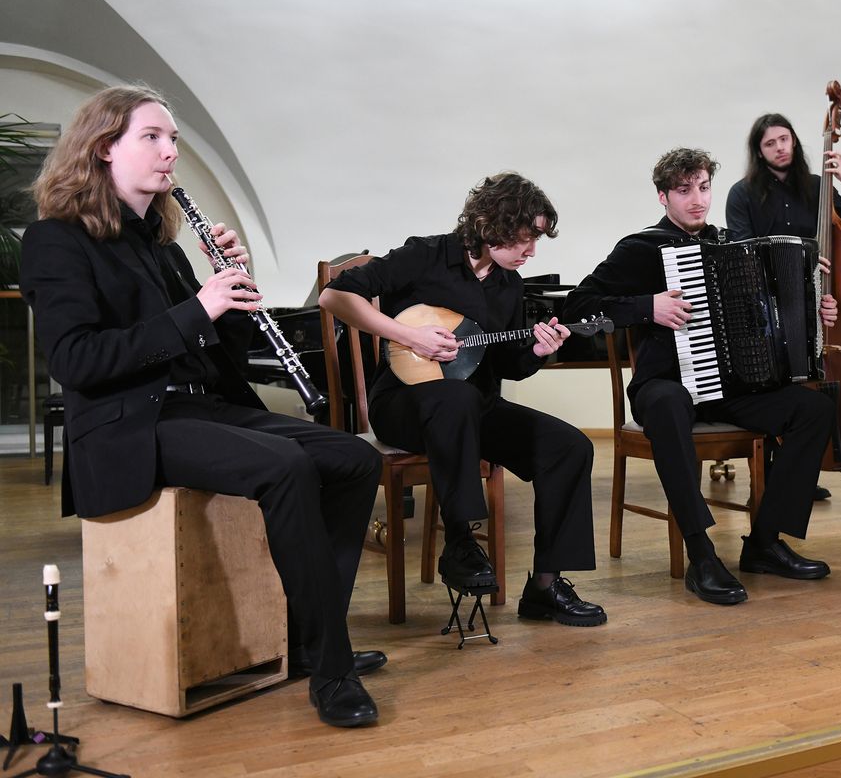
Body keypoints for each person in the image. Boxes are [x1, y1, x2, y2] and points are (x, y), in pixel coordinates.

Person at [19, 85, 385, 726]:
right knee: (285, 466)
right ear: (104, 148)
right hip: (129, 424)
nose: (170, 152)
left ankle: (309, 638)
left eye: (173, 139)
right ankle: (331, 670)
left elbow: (216, 354)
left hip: (199, 407)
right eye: (152, 137)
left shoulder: (162, 247)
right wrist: (199, 308)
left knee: (354, 458)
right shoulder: (56, 241)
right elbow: (77, 362)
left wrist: (234, 299)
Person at [318, 172, 606, 627]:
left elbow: (505, 364)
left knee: (569, 447)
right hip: (404, 405)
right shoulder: (425, 255)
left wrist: (537, 350)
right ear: (489, 223)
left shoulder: (509, 285)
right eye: (525, 237)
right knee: (454, 398)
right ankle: (461, 541)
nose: (532, 251)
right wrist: (408, 334)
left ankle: (545, 587)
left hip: (474, 406)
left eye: (536, 240)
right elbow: (333, 296)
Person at [562, 148, 838, 605]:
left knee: (814, 409)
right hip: (665, 383)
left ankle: (765, 542)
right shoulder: (640, 249)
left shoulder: (732, 245)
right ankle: (702, 554)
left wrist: (814, 310)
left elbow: (772, 312)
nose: (697, 199)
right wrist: (647, 307)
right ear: (663, 196)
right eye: (684, 190)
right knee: (669, 404)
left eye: (704, 187)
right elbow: (577, 305)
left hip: (728, 387)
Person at [725, 112, 841, 501]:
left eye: (784, 139)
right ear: (759, 151)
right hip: (765, 306)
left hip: (817, 300)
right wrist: (799, 262)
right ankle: (771, 480)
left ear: (794, 141)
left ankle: (798, 475)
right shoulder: (742, 193)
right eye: (770, 143)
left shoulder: (819, 187)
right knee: (775, 388)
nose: (780, 148)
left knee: (810, 384)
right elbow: (740, 251)